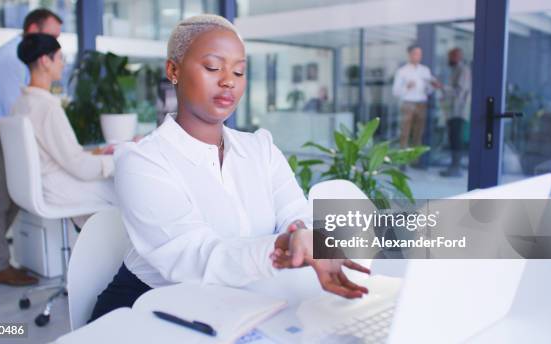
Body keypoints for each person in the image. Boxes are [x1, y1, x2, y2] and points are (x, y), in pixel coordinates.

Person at [89, 14, 370, 322]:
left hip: (241, 305)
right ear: (174, 70)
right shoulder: (142, 162)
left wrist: (305, 240)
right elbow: (196, 257)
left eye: (239, 71)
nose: (228, 80)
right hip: (150, 312)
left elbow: (295, 214)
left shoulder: (260, 148)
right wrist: (285, 245)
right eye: (213, 67)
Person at [0, 9, 62, 286]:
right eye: (51, 35)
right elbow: (18, 109)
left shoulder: (18, 57)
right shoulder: (13, 59)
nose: (56, 42)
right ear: (32, 29)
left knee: (13, 193)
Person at [11, 34, 117, 212]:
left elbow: (60, 154)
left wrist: (95, 155)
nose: (63, 63)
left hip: (44, 187)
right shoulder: (47, 107)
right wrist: (118, 161)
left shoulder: (20, 104)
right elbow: (80, 167)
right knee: (124, 190)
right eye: (60, 57)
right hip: (61, 189)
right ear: (45, 61)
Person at [392, 45, 441, 151]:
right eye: (416, 53)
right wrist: (407, 87)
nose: (418, 56)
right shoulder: (402, 71)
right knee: (404, 133)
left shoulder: (425, 70)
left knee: (418, 133)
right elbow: (395, 92)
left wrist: (432, 86)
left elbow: (429, 90)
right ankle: (402, 162)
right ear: (409, 55)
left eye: (420, 54)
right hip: (407, 104)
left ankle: (415, 160)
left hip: (422, 104)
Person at [440, 48, 471, 177]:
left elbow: (459, 91)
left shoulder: (463, 70)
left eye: (451, 57)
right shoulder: (455, 70)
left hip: (459, 111)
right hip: (452, 111)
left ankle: (456, 169)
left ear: (458, 57)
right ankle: (453, 167)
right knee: (453, 139)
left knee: (456, 139)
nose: (449, 60)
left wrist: (442, 87)